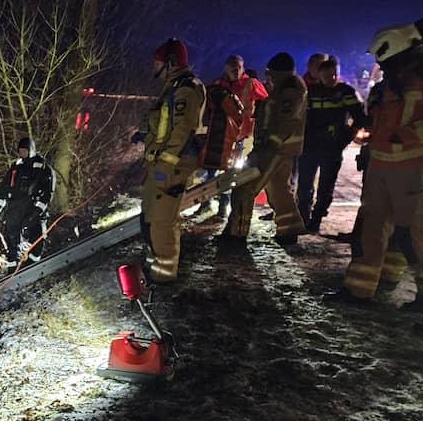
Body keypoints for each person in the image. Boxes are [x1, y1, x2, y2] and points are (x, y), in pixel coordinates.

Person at [336, 23, 423, 312]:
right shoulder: (393, 80)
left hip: (416, 167)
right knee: (371, 230)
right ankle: (359, 290)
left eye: (383, 56)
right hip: (381, 167)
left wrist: (408, 136)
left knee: (417, 234)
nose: (380, 63)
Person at [132, 38, 205, 281]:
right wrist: (145, 135)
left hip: (171, 166)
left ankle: (163, 275)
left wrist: (166, 162)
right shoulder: (173, 87)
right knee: (151, 216)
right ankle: (155, 265)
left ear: (171, 63)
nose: (154, 67)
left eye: (158, 63)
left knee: (162, 219)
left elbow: (182, 131)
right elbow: (164, 125)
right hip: (162, 164)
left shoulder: (186, 88)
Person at [221, 52, 308, 245]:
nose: (268, 77)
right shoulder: (283, 88)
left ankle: (236, 233)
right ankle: (289, 229)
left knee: (246, 186)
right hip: (276, 148)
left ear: (280, 72)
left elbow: (286, 120)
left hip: (275, 148)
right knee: (278, 190)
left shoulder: (290, 90)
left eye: (271, 73)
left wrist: (271, 144)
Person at [297, 58, 367, 233]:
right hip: (310, 146)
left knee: (326, 187)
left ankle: (316, 219)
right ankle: (303, 217)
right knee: (304, 185)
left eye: (334, 74)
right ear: (319, 75)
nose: (331, 78)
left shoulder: (346, 92)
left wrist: (344, 139)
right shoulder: (310, 91)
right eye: (327, 75)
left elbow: (360, 118)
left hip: (332, 148)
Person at [0, 136, 55, 265]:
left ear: (31, 150)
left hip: (32, 207)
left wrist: (37, 211)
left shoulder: (41, 167)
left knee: (36, 234)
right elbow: (4, 188)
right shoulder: (15, 168)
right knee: (11, 235)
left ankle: (33, 263)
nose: (22, 153)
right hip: (15, 207)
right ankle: (12, 266)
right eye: (20, 150)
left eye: (24, 150)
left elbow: (47, 192)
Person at [200, 61, 248, 214]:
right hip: (217, 135)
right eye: (233, 67)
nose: (236, 70)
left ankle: (223, 206)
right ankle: (205, 202)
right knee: (210, 171)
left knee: (231, 172)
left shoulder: (249, 84)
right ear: (225, 68)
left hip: (238, 136)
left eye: (239, 67)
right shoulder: (217, 85)